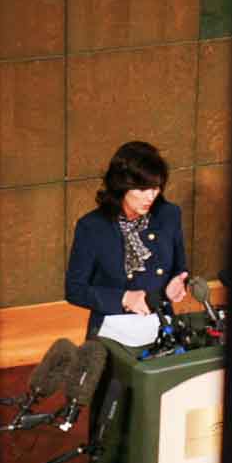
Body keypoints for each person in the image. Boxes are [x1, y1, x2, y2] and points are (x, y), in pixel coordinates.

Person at [64, 141, 189, 338]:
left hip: (161, 326)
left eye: (156, 188)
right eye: (142, 189)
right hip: (113, 330)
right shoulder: (92, 227)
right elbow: (75, 289)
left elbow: (179, 268)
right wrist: (124, 298)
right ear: (121, 186)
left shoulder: (169, 215)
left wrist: (177, 283)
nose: (151, 196)